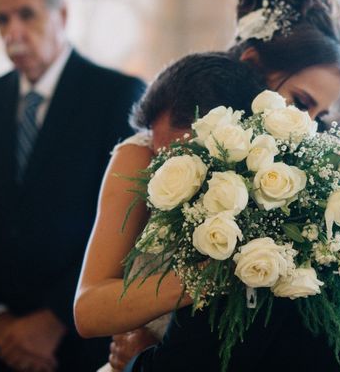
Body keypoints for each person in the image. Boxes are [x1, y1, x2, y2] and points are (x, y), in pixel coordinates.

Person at [119, 0, 340, 372]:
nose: (309, 124)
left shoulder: (298, 173)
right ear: (253, 67)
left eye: (321, 115)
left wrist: (328, 151)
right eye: (301, 102)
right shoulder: (162, 147)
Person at [0, 0, 145, 372]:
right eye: (2, 19)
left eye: (27, 15)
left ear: (61, 14)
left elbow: (130, 222)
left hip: (79, 341)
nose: (12, 33)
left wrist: (54, 319)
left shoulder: (117, 94)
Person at [75, 52, 268, 370]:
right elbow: (88, 311)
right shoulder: (140, 156)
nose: (165, 170)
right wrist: (208, 277)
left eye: (184, 156)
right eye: (159, 155)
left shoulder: (274, 185)